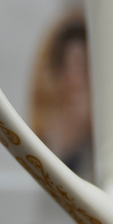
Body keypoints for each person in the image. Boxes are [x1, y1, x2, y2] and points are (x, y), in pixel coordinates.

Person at [30, 10, 93, 181]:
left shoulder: (100, 124)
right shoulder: (52, 126)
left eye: (81, 66)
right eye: (67, 66)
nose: (74, 77)